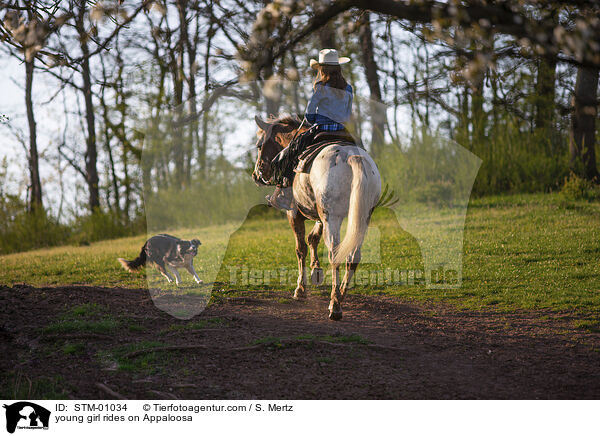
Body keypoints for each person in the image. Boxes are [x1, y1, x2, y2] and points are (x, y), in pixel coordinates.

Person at [267, 48, 353, 210]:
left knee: (293, 152)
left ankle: (285, 195)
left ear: (322, 69)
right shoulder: (348, 89)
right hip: (343, 131)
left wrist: (314, 119)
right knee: (360, 148)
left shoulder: (320, 87)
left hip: (321, 130)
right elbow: (348, 115)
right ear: (338, 68)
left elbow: (309, 115)